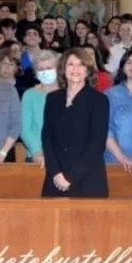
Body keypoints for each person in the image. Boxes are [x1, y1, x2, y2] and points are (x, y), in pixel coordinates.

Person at [41, 48, 110, 197]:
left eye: (81, 64)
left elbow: (97, 144)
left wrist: (70, 177)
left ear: (88, 70)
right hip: (56, 179)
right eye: (70, 64)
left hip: (87, 179)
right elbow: (47, 137)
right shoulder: (53, 98)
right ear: (63, 70)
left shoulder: (99, 100)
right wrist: (56, 172)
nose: (75, 69)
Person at [20, 50, 59, 165]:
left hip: (63, 157)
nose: (45, 72)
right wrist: (37, 152)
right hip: (36, 158)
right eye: (41, 69)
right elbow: (25, 129)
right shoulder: (29, 95)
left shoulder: (67, 93)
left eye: (49, 68)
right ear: (36, 73)